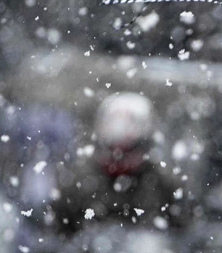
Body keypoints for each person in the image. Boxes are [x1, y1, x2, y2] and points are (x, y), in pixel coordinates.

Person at [52, 92, 185, 235]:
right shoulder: (77, 183)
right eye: (113, 146)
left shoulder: (164, 185)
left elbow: (183, 234)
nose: (120, 157)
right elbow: (57, 234)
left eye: (130, 147)